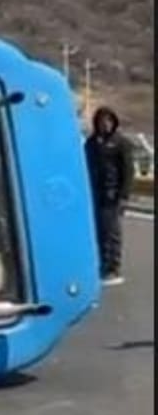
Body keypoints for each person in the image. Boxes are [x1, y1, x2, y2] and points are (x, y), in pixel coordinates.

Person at [84, 106, 134, 286]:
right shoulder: (91, 143)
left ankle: (113, 268)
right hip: (95, 194)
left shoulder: (121, 143)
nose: (104, 124)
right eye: (101, 121)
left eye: (108, 121)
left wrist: (124, 196)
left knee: (111, 233)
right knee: (98, 231)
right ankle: (101, 265)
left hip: (112, 196)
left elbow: (128, 172)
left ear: (113, 122)